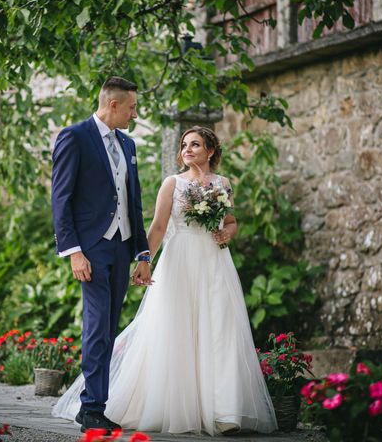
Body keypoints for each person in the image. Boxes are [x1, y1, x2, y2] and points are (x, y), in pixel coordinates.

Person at [53, 126, 278, 435]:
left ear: (210, 151)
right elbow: (157, 227)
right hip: (179, 261)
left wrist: (228, 233)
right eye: (184, 144)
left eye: (195, 144)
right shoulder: (172, 183)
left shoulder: (223, 184)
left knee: (219, 330)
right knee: (175, 329)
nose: (187, 149)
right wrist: (144, 261)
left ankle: (224, 411)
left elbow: (231, 221)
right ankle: (170, 406)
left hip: (214, 262)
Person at [51, 76, 152, 434]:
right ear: (113, 105)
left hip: (121, 247)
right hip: (91, 249)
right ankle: (91, 408)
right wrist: (74, 252)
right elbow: (61, 199)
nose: (135, 113)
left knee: (109, 327)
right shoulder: (74, 137)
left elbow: (134, 202)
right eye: (132, 107)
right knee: (97, 328)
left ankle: (95, 405)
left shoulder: (128, 144)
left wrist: (142, 253)